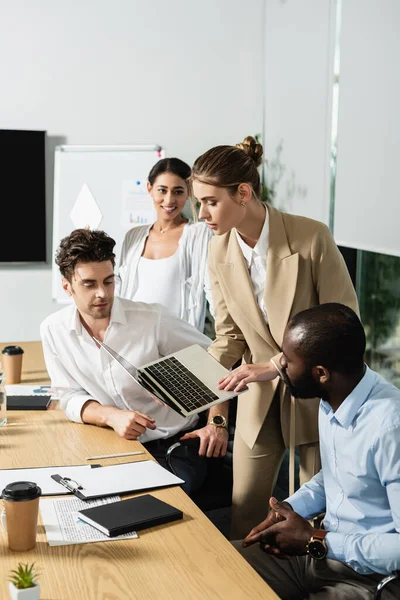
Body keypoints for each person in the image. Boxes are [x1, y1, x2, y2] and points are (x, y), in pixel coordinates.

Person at [190, 136, 359, 538]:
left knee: (321, 510)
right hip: (258, 397)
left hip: (320, 391)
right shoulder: (218, 251)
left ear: (243, 193)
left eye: (210, 201)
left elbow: (344, 323)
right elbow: (229, 335)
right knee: (245, 507)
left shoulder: (311, 238)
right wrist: (191, 376)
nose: (201, 214)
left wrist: (272, 366)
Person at [234, 303, 400, 600]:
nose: (279, 366)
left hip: (372, 579)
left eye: (287, 360)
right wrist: (287, 513)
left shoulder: (390, 427)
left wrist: (313, 539)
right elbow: (337, 478)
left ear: (321, 373)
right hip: (320, 556)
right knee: (219, 564)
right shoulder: (332, 397)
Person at [40, 229, 221, 495]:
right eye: (90, 284)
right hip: (112, 444)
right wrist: (111, 416)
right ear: (67, 287)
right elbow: (68, 397)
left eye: (109, 281)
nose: (102, 293)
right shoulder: (53, 330)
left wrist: (216, 425)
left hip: (174, 445)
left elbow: (217, 366)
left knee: (159, 506)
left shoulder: (152, 320)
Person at [118, 157, 213, 332]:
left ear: (189, 192)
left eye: (178, 192)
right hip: (132, 339)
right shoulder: (133, 236)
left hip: (178, 344)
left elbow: (214, 292)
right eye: (162, 190)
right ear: (149, 188)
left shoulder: (199, 234)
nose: (169, 200)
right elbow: (119, 291)